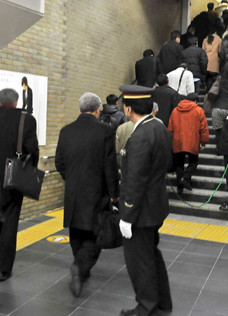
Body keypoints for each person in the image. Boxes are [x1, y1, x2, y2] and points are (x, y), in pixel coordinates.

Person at [55, 92, 119, 297]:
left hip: (73, 191)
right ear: (98, 110)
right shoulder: (105, 131)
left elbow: (59, 162)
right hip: (96, 192)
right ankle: (79, 267)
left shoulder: (66, 131)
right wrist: (113, 193)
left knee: (76, 231)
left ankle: (81, 268)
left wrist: (71, 178)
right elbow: (110, 166)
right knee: (94, 234)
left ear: (79, 109)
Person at [117, 85, 172, 316]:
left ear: (129, 109)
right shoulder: (158, 128)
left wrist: (127, 216)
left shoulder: (140, 136)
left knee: (140, 261)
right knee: (152, 255)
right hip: (155, 205)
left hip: (141, 211)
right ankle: (162, 303)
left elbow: (136, 180)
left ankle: (146, 306)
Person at [0, 88, 39, 281]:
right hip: (14, 177)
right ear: (17, 101)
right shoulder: (26, 120)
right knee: (10, 220)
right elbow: (32, 150)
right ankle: (3, 268)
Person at [168, 93, 210, 194]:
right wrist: (204, 141)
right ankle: (185, 179)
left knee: (179, 164)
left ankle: (180, 188)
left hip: (177, 142)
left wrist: (171, 140)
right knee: (194, 161)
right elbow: (203, 128)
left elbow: (170, 128)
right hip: (192, 142)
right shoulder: (198, 111)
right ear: (195, 101)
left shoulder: (175, 110)